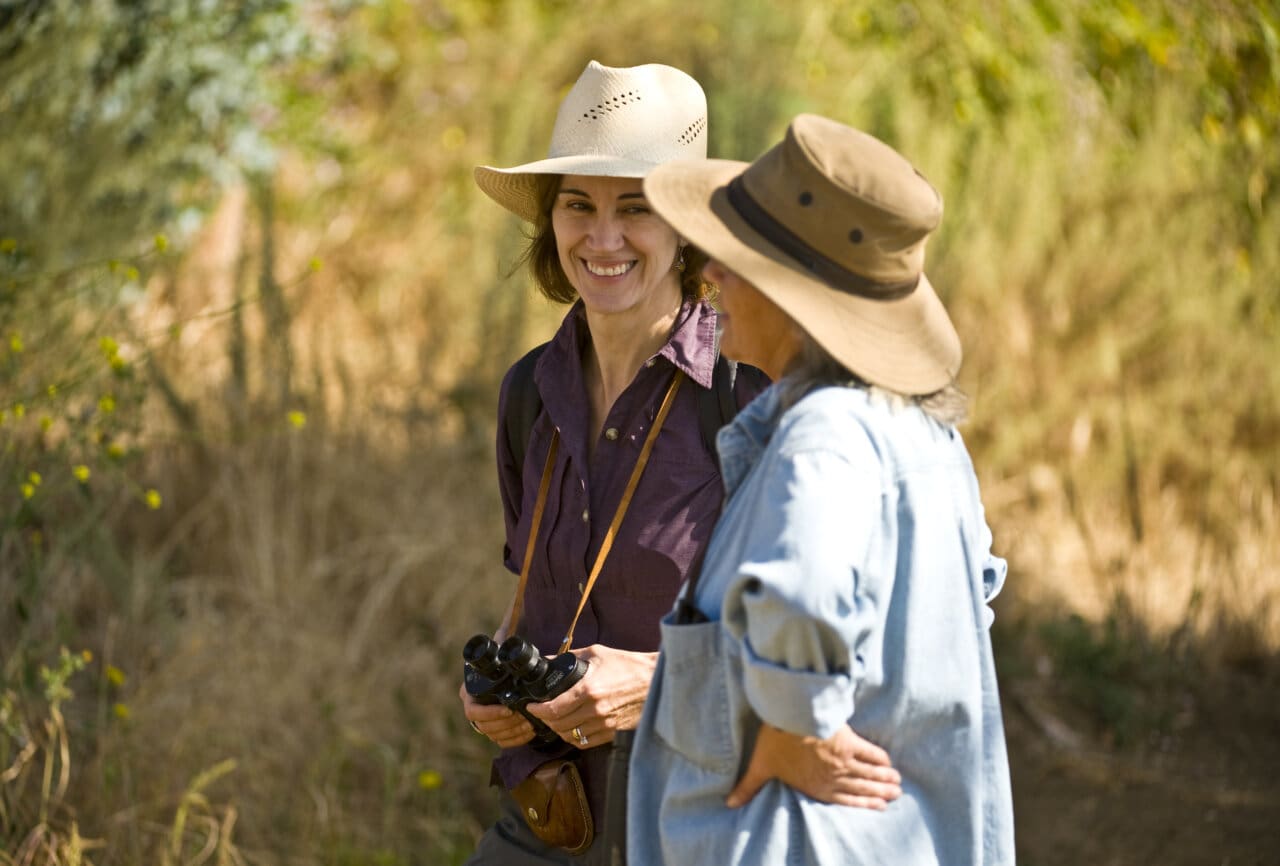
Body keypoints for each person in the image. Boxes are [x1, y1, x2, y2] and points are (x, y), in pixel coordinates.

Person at [460, 64, 903, 865]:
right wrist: (494, 682)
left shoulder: (752, 393)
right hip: (549, 815)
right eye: (578, 205)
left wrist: (655, 683)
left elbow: (844, 644)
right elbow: (530, 594)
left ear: (686, 229)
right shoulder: (529, 390)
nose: (602, 239)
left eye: (637, 208)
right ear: (550, 221)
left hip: (706, 823)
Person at [628, 113, 1016, 864]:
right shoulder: (922, 433)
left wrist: (794, 724)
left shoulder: (825, 438)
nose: (711, 274)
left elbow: (799, 596)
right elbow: (976, 592)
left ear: (796, 299)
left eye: (736, 260)